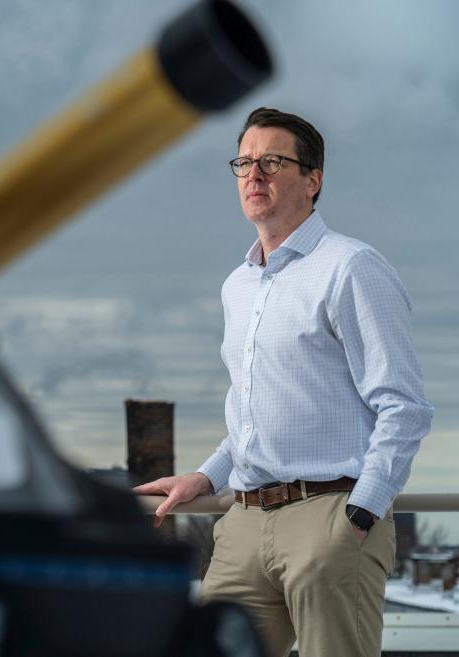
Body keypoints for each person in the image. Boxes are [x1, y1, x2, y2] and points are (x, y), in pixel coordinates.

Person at [135, 107, 434, 657]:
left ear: (313, 179)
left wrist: (361, 512)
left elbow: (405, 406)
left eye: (272, 162)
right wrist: (205, 477)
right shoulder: (237, 286)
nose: (254, 176)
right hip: (242, 523)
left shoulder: (351, 267)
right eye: (244, 163)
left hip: (330, 519)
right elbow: (254, 413)